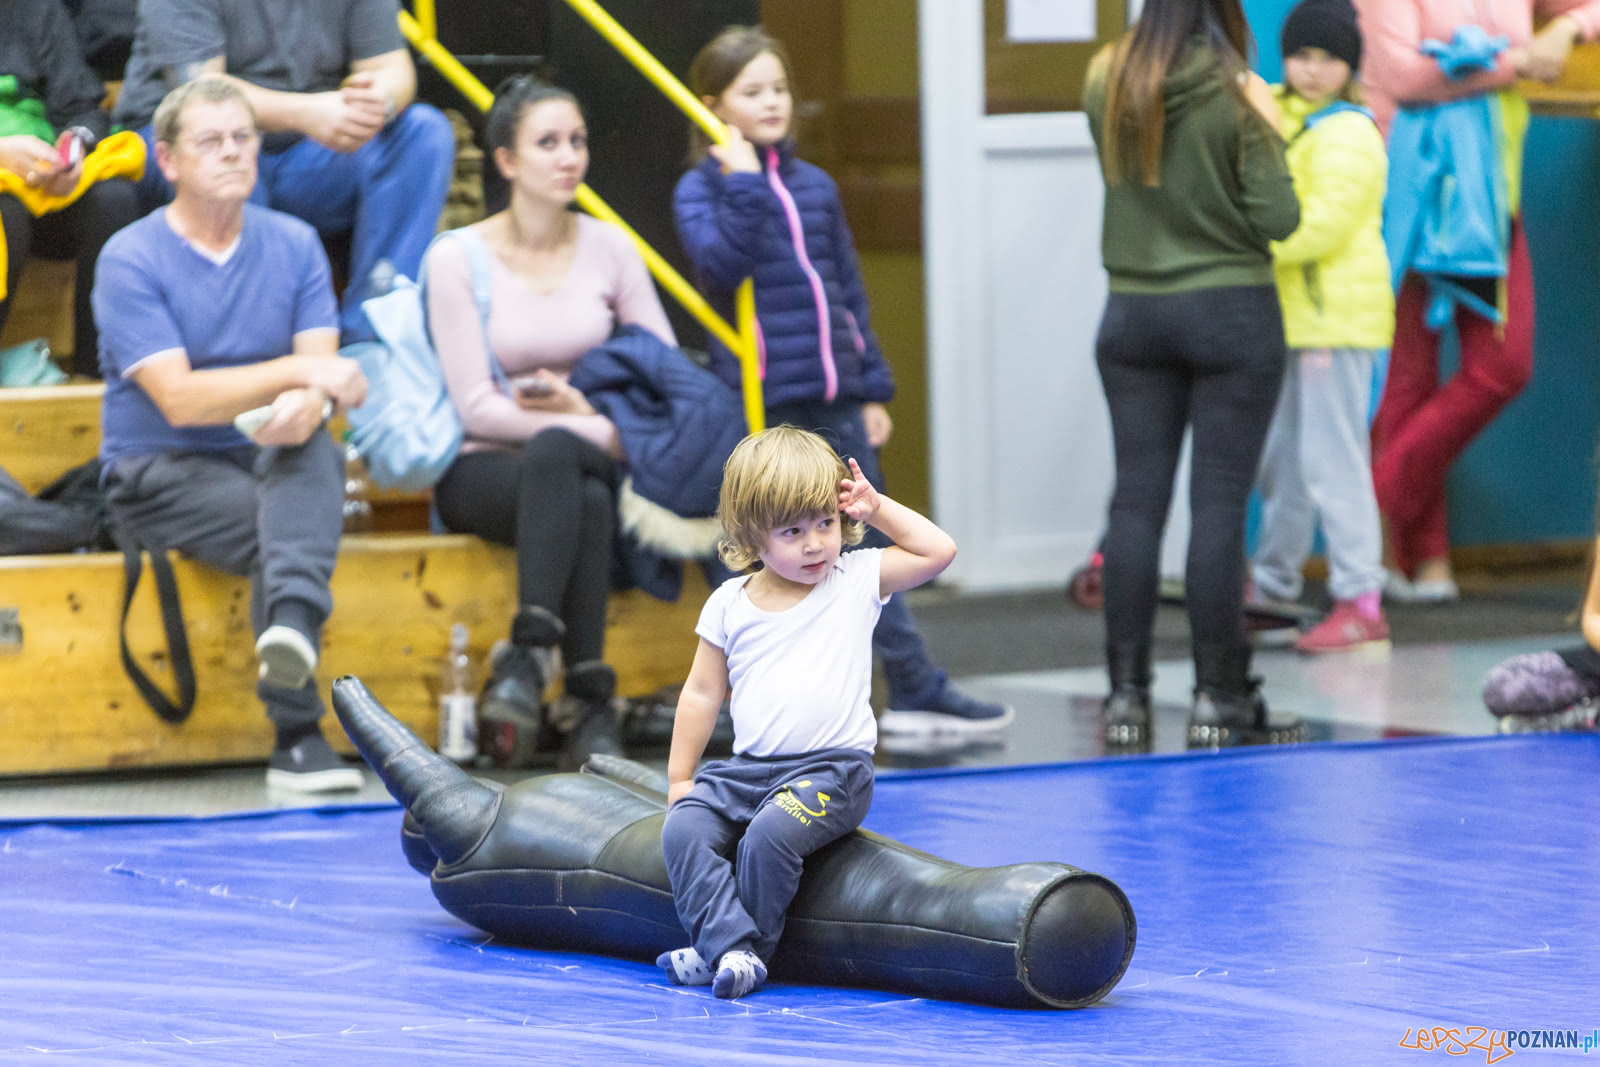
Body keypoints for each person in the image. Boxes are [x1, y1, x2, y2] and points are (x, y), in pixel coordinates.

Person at [674, 26, 1012, 746]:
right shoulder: (702, 189)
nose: (773, 103)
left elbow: (846, 293)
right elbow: (717, 269)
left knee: (858, 546)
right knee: (778, 546)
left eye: (780, 89)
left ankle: (913, 683)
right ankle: (755, 694)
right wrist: (740, 184)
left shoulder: (814, 185)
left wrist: (871, 388)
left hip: (835, 394)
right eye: (752, 91)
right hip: (766, 399)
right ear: (712, 106)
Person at [93, 77, 369, 792]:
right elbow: (179, 399)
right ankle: (297, 726)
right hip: (155, 470)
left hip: (264, 453)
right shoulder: (129, 257)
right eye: (210, 141)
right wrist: (308, 377)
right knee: (280, 524)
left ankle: (293, 648)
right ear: (170, 160)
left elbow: (319, 383)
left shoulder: (297, 244)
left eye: (244, 137)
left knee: (314, 448)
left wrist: (309, 399)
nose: (232, 152)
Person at [427, 77, 679, 771]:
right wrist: (586, 429)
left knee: (567, 459)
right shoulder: (456, 258)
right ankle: (590, 699)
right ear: (506, 161)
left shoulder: (612, 249)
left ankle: (529, 656)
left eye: (577, 141)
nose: (569, 157)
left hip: (592, 441)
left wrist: (586, 418)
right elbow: (475, 405)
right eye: (548, 143)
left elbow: (664, 379)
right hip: (485, 464)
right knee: (581, 491)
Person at [658, 425, 958, 999]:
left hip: (832, 772)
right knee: (684, 829)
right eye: (792, 532)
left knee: (768, 838)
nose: (816, 544)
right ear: (752, 536)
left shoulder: (855, 578)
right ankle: (723, 943)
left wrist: (878, 507)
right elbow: (700, 692)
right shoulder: (729, 604)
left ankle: (747, 952)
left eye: (825, 523)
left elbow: (937, 551)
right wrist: (679, 778)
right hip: (746, 771)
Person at [1084, 0, 1303, 749]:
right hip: (1232, 313)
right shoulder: (1238, 88)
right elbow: (1279, 217)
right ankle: (1220, 698)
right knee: (1217, 505)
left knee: (1135, 505)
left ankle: (1125, 698)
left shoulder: (1106, 76)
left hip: (1132, 315)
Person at [1355, 0, 1600, 603]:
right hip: (1407, 193)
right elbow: (1404, 76)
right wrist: (1519, 59)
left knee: (1503, 366)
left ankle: (1370, 510)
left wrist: (1566, 28)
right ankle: (1419, 558)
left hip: (1491, 197)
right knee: (1406, 383)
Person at [112, 0, 454, 345]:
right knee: (229, 156)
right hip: (193, 136)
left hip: (309, 148)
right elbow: (201, 91)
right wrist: (308, 113)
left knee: (423, 132)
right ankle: (254, 347)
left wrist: (375, 103)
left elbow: (391, 66)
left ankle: (377, 331)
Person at [1250, 0, 1393, 654]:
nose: (1311, 70)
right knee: (1281, 460)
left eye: (1327, 58)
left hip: (1335, 321)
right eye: (1301, 55)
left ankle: (1361, 597)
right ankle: (1272, 587)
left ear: (1349, 66)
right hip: (1290, 317)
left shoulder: (1350, 132)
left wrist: (1245, 247)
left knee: (1332, 460)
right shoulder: (1277, 109)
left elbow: (1318, 226)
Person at [1, 0, 142, 378]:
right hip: (7, 196)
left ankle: (93, 376)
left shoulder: (35, 11)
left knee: (113, 200)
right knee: (5, 212)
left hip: (43, 182)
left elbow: (81, 107)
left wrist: (73, 148)